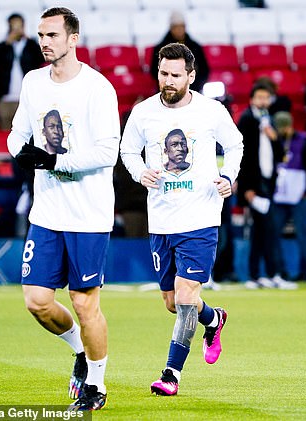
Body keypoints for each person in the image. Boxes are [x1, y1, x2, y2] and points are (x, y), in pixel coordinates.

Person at [6, 7, 120, 410]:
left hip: (88, 213)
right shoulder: (34, 82)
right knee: (36, 299)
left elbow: (109, 150)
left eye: (52, 35)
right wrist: (20, 153)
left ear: (74, 38)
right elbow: (18, 133)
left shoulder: (97, 87)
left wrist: (55, 161)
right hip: (48, 211)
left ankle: (97, 386)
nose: (45, 42)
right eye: (41, 35)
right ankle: (79, 351)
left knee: (84, 302)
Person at [119, 42, 243, 396]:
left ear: (191, 75)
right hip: (161, 220)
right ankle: (214, 319)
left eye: (175, 75)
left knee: (186, 296)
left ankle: (171, 374)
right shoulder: (143, 113)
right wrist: (139, 171)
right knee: (174, 302)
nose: (168, 81)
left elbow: (235, 145)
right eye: (163, 73)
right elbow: (127, 149)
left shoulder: (211, 111)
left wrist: (229, 176)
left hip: (201, 217)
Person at [237, 82, 296, 290]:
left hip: (268, 182)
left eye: (266, 97)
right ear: (252, 99)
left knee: (261, 231)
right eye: (259, 97)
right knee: (267, 229)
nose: (263, 101)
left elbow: (280, 154)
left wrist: (274, 137)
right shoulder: (246, 120)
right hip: (255, 185)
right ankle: (272, 273)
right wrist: (247, 188)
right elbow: (242, 157)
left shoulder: (268, 120)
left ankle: (256, 275)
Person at [271, 111, 306, 286]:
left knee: (303, 233)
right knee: (273, 233)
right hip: (278, 195)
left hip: (299, 195)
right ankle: (280, 271)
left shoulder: (304, 141)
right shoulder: (275, 141)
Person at [0, 13, 45, 130]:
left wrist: (28, 39)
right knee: (6, 135)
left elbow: (43, 57)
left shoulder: (30, 46)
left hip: (27, 99)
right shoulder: (4, 46)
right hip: (6, 99)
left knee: (29, 133)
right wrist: (6, 43)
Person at [149, 10, 210, 93]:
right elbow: (155, 71)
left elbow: (204, 70)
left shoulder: (195, 47)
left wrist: (193, 85)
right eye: (176, 27)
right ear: (171, 28)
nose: (179, 30)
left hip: (193, 89)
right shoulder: (160, 48)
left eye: (181, 26)